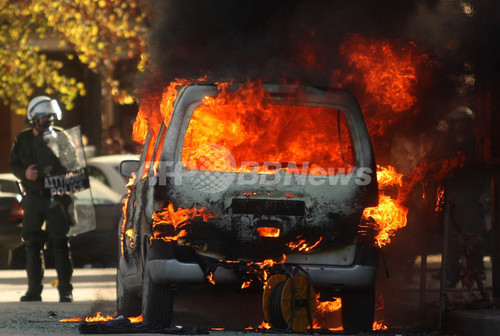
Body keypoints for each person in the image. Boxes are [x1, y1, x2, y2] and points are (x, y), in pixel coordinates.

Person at [9, 96, 74, 302]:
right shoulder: (23, 139)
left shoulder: (61, 137)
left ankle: (65, 291)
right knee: (32, 243)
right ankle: (34, 291)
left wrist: (63, 177)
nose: (48, 119)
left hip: (56, 199)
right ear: (33, 118)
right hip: (33, 199)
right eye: (44, 115)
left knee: (60, 243)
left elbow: (74, 165)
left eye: (50, 115)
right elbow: (14, 164)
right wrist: (25, 173)